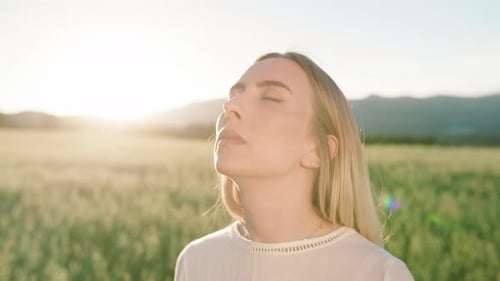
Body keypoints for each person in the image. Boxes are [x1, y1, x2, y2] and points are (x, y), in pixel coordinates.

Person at [174, 52, 414, 281]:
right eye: (233, 96)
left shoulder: (379, 274)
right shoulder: (196, 261)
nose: (230, 107)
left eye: (270, 98)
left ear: (318, 151)